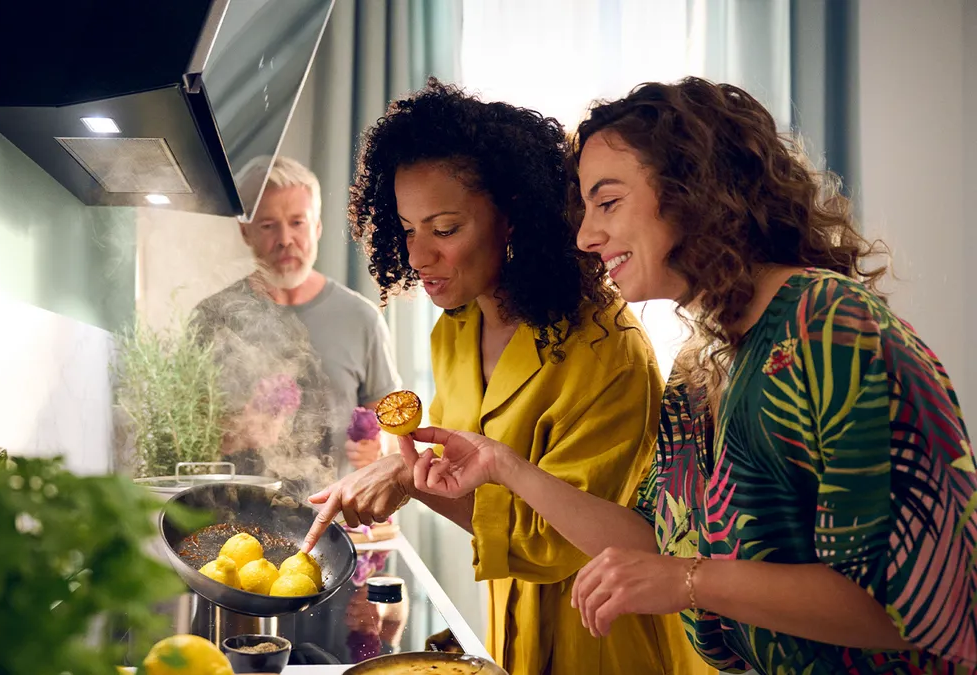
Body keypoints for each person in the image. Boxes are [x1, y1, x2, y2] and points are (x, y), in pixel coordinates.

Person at [401, 77, 977, 675]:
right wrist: (503, 466)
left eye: (608, 202)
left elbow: (916, 608)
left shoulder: (829, 326)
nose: (585, 235)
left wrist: (690, 581)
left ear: (692, 191)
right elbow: (654, 538)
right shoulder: (703, 361)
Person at [302, 79, 711, 675]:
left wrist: (409, 480)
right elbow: (464, 475)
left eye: (444, 230)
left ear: (512, 219)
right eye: (407, 228)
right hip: (512, 620)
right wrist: (406, 466)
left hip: (607, 635)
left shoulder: (605, 350)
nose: (418, 257)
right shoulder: (455, 329)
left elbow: (553, 544)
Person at [190, 156, 400, 480]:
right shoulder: (211, 318)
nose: (285, 239)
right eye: (268, 225)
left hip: (338, 521)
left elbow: (391, 426)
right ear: (245, 232)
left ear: (317, 227)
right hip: (238, 519)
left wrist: (380, 446)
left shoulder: (362, 319)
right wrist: (235, 434)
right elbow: (182, 438)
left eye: (297, 222)